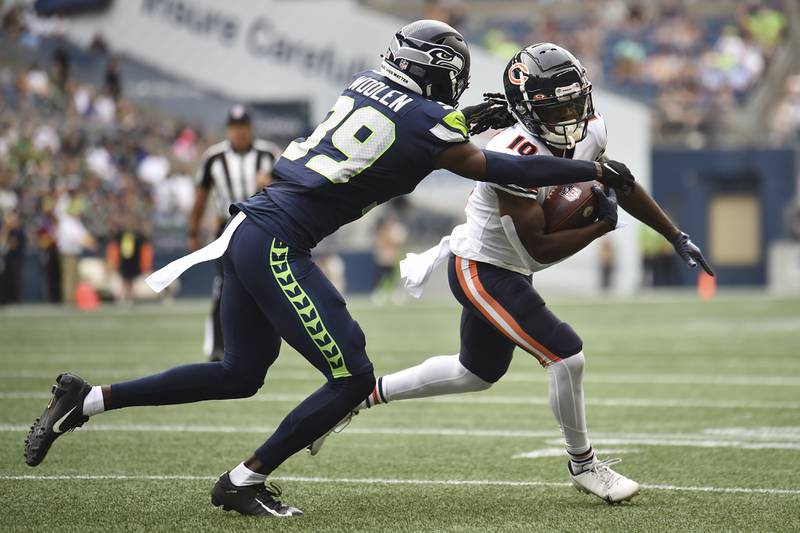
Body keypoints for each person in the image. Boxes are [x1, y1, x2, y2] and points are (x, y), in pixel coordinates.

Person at [25, 22, 637, 517]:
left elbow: (415, 130)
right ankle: (243, 480)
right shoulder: (432, 122)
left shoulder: (367, 84)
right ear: (440, 75)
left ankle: (89, 400)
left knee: (239, 372)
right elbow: (496, 166)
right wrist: (589, 171)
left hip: (249, 227)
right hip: (276, 242)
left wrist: (471, 118)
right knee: (351, 378)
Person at [309, 43, 714, 504]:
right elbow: (537, 246)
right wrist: (601, 225)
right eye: (556, 106)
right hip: (483, 268)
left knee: (475, 373)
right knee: (567, 355)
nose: (571, 114)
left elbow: (619, 180)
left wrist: (674, 235)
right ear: (528, 109)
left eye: (574, 101)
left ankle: (357, 398)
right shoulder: (512, 151)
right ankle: (584, 465)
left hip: (510, 269)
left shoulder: (591, 129)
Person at [188, 105, 280, 361]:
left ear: (250, 128)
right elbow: (200, 196)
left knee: (264, 287)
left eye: (243, 127)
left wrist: (271, 184)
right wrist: (192, 231)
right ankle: (218, 347)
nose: (239, 132)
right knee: (223, 287)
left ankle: (263, 345)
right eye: (234, 127)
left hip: (263, 227)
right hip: (226, 230)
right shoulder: (213, 157)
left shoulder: (270, 154)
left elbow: (290, 187)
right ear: (228, 129)